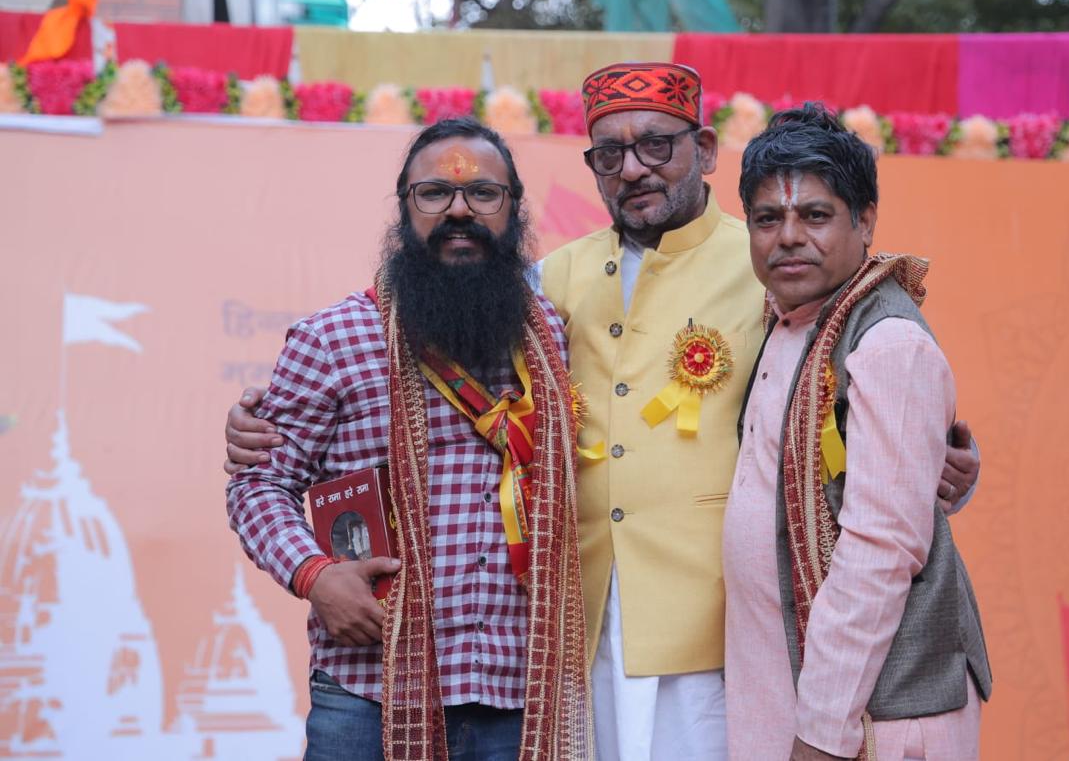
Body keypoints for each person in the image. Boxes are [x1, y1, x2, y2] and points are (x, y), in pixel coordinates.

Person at [225, 64, 982, 760]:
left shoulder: (765, 264)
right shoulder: (549, 286)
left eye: (655, 145)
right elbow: (272, 475)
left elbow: (851, 392)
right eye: (610, 154)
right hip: (569, 640)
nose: (634, 168)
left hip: (713, 632)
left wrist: (943, 459)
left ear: (704, 150)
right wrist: (263, 449)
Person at [225, 117, 591, 761]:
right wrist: (316, 576)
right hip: (369, 690)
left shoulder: (551, 338)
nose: (459, 210)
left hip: (519, 693)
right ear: (404, 208)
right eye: (435, 193)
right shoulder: (332, 338)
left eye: (483, 193)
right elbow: (258, 485)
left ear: (513, 210)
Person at [724, 104, 992, 761]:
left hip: (874, 713)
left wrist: (822, 732)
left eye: (815, 215)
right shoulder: (790, 321)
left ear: (865, 221)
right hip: (788, 689)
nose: (789, 237)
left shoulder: (886, 342)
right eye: (767, 218)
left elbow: (880, 550)